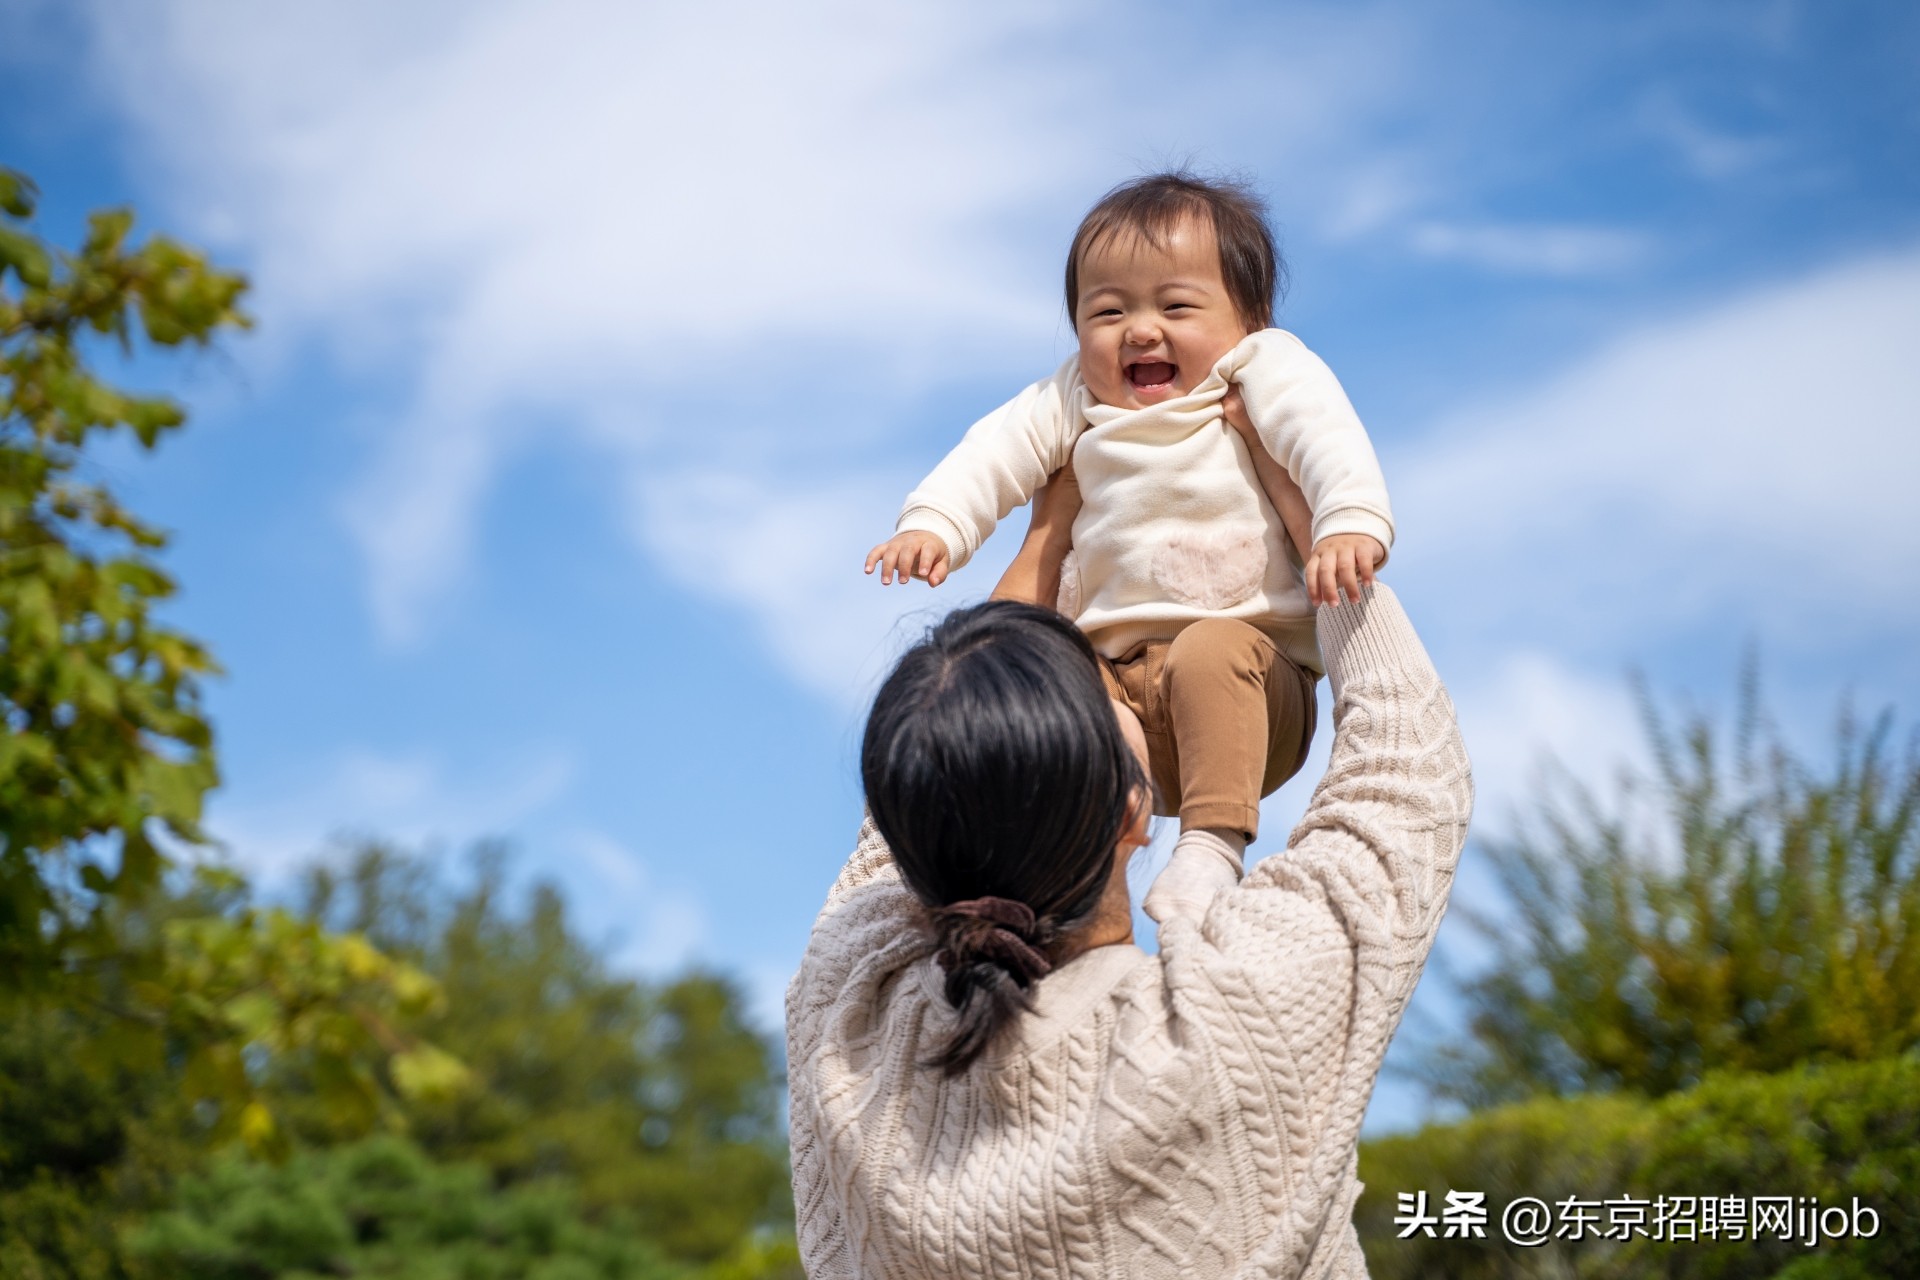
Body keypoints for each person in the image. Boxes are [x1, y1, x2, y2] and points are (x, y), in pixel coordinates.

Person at [786, 583, 1472, 1278]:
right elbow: (1406, 775)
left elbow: (920, 793)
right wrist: (1329, 542)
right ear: (1133, 813)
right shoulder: (1236, 1016)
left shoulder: (847, 1034)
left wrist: (1016, 613)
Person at [863, 171, 1396, 923]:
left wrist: (1347, 520)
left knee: (1213, 650)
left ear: (1250, 320)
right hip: (1119, 685)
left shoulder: (1258, 372)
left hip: (1250, 687)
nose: (1140, 330)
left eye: (1176, 305)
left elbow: (1324, 435)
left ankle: (1211, 848)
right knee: (1064, 687)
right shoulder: (1076, 397)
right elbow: (992, 454)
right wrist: (936, 523)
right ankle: (1078, 858)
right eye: (1107, 311)